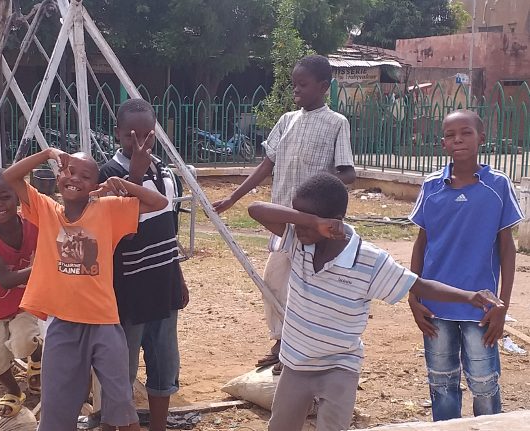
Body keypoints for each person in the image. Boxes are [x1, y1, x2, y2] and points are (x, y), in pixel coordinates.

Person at [247, 172, 503, 431]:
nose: (297, 226)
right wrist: (309, 220)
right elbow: (255, 209)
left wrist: (470, 296)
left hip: (339, 367)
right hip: (295, 364)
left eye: (305, 221)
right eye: (297, 217)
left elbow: (420, 285)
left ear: (334, 223)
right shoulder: (299, 242)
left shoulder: (369, 261)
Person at [3, 146, 168, 431]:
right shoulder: (46, 210)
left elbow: (160, 202)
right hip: (63, 324)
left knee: (121, 402)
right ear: (58, 177)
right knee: (56, 404)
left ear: (95, 185)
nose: (74, 178)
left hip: (103, 322)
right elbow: (11, 177)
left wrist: (124, 184)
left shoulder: (109, 209)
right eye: (69, 171)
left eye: (85, 175)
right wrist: (47, 154)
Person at [211, 55, 356, 374]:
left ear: (323, 87)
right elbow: (267, 165)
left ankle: (303, 351)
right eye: (294, 85)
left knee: (307, 289)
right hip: (283, 222)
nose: (296, 91)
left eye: (302, 85)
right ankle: (281, 343)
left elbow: (348, 172)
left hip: (313, 226)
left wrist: (321, 189)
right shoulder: (287, 120)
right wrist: (234, 197)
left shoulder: (336, 123)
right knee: (274, 283)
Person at [408, 109, 524, 421]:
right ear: (443, 143)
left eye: (466, 132)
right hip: (434, 309)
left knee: (485, 386)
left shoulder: (497, 186)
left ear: (482, 138)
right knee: (442, 384)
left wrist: (502, 305)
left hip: (481, 310)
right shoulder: (431, 186)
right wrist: (413, 297)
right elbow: (422, 243)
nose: (457, 138)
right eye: (449, 134)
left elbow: (507, 248)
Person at [98, 99, 188, 431]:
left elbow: (170, 229)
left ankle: (159, 426)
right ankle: (114, 424)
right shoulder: (109, 173)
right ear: (117, 134)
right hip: (129, 290)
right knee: (122, 366)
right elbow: (117, 223)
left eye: (148, 137)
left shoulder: (166, 173)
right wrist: (134, 173)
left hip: (163, 284)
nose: (140, 144)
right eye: (130, 137)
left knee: (164, 362)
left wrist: (178, 275)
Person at [0, 168, 42, 418]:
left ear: (17, 198)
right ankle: (14, 391)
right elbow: (4, 280)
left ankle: (36, 356)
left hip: (25, 303)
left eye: (5, 197)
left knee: (23, 342)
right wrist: (42, 267)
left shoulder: (32, 227)